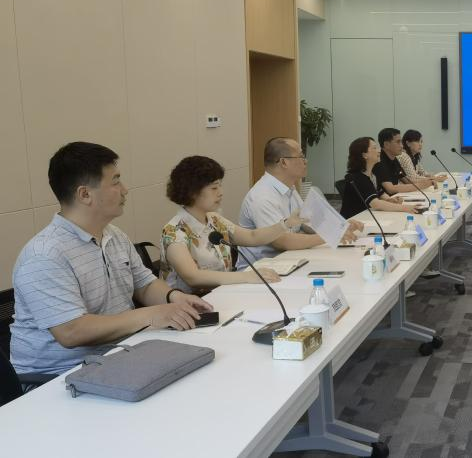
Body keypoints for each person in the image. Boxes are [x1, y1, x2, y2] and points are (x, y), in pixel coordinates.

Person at [9, 142, 213, 376]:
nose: (125, 190)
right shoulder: (44, 255)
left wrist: (175, 298)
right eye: (115, 182)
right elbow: (71, 331)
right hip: (58, 376)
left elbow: (144, 284)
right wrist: (151, 315)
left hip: (120, 354)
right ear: (85, 194)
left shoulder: (113, 234)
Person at [161, 156, 307, 293]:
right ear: (192, 192)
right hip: (188, 304)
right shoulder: (174, 231)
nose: (220, 193)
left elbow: (252, 236)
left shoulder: (214, 220)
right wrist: (246, 277)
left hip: (223, 293)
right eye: (214, 188)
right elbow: (193, 277)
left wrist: (285, 224)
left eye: (220, 186)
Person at [238, 137, 361, 266]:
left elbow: (306, 222)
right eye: (301, 156)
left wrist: (339, 226)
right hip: (262, 268)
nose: (305, 161)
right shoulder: (262, 196)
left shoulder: (289, 188)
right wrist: (331, 235)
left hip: (289, 260)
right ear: (284, 162)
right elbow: (282, 241)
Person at [340, 136, 425, 218]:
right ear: (364, 155)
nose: (379, 151)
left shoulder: (371, 175)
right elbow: (376, 204)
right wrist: (406, 208)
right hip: (355, 220)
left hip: (368, 216)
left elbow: (380, 193)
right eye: (374, 148)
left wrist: (391, 200)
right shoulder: (358, 177)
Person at [374, 127, 433, 195]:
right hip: (385, 199)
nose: (402, 146)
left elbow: (407, 180)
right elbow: (391, 189)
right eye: (398, 142)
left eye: (401, 142)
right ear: (386, 145)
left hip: (395, 197)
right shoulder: (379, 161)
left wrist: (428, 181)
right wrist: (423, 185)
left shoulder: (394, 159)